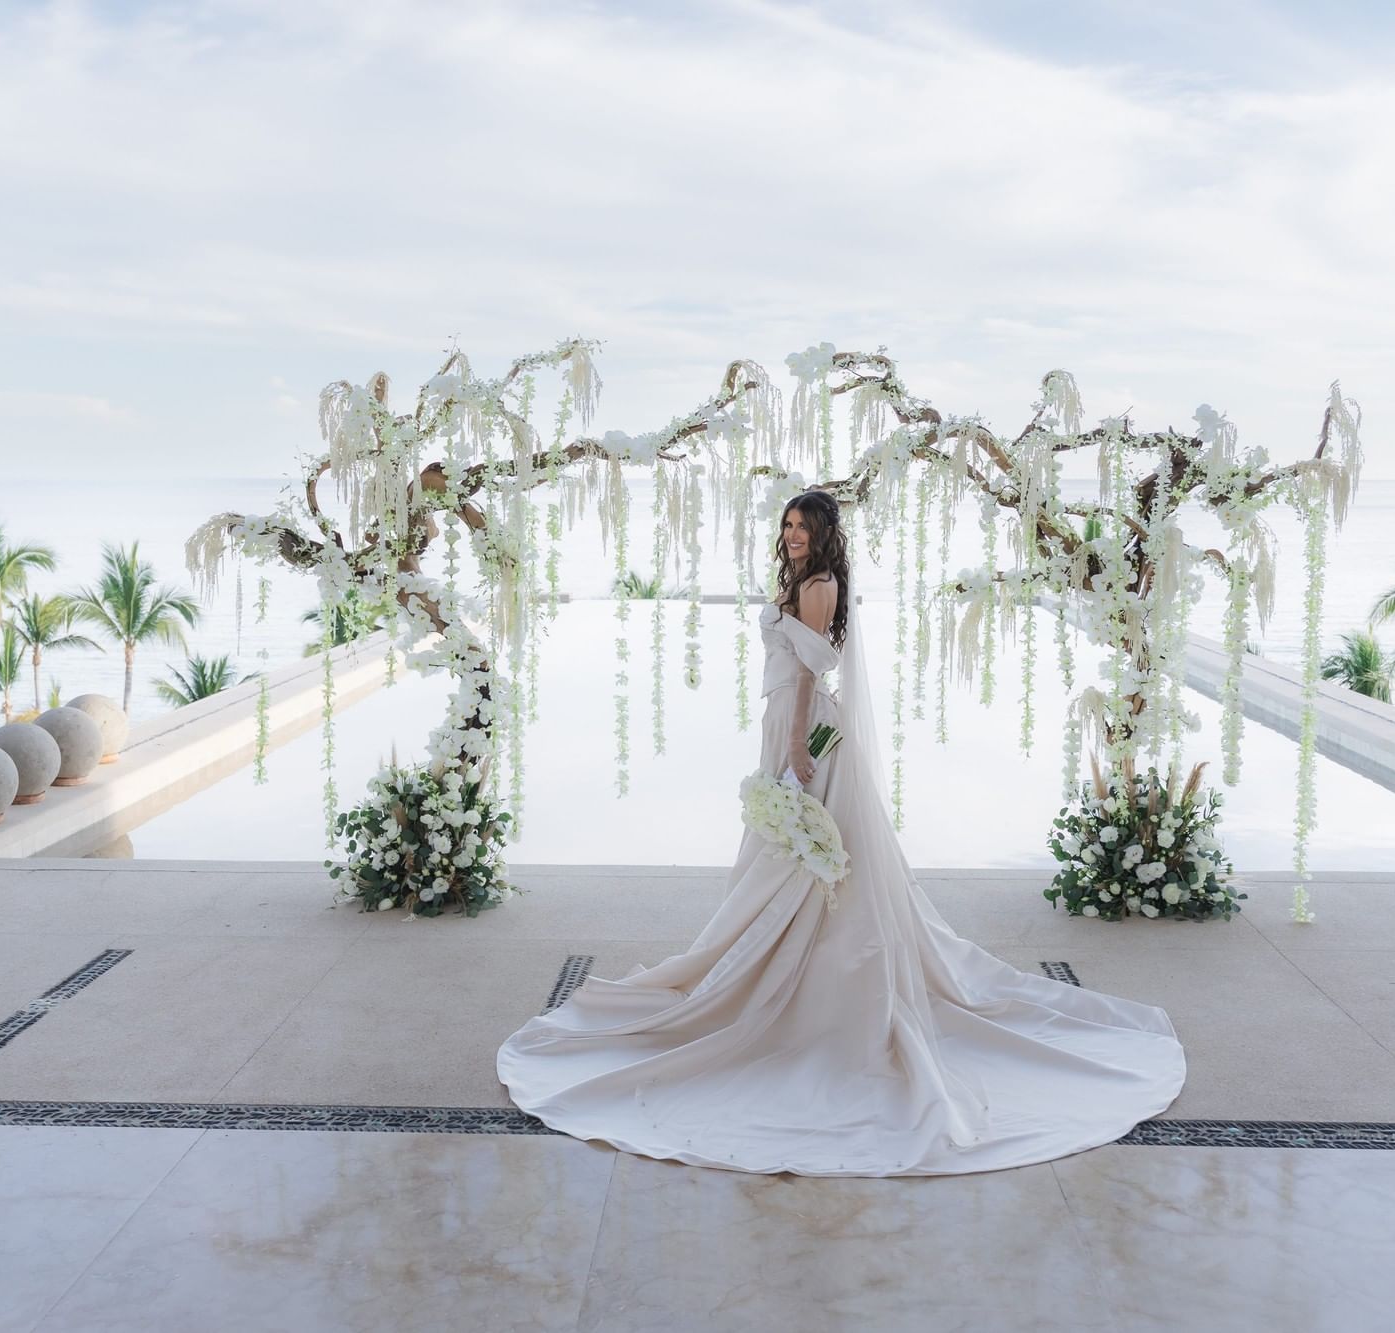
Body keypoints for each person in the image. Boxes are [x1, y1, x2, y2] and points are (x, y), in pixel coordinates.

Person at [496, 487, 1185, 1176]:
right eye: (788, 524)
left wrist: (796, 745)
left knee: (804, 845)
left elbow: (811, 668)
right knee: (784, 847)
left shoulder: (820, 583)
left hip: (806, 729)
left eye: (804, 526)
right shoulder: (797, 577)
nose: (793, 534)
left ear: (824, 533)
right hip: (782, 723)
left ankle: (808, 976)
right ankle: (764, 956)